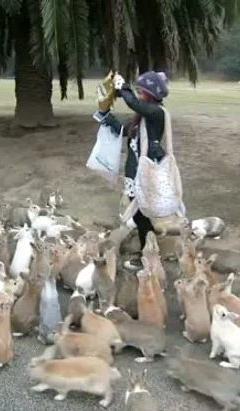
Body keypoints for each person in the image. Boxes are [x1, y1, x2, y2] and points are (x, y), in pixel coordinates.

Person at [93, 70, 173, 271]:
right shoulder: (141, 117)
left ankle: (149, 253)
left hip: (146, 172)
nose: (137, 95)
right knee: (140, 213)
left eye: (140, 91)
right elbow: (122, 130)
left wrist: (123, 88)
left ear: (149, 94)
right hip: (135, 171)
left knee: (141, 213)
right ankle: (149, 248)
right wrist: (104, 114)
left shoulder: (156, 113)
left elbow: (134, 103)